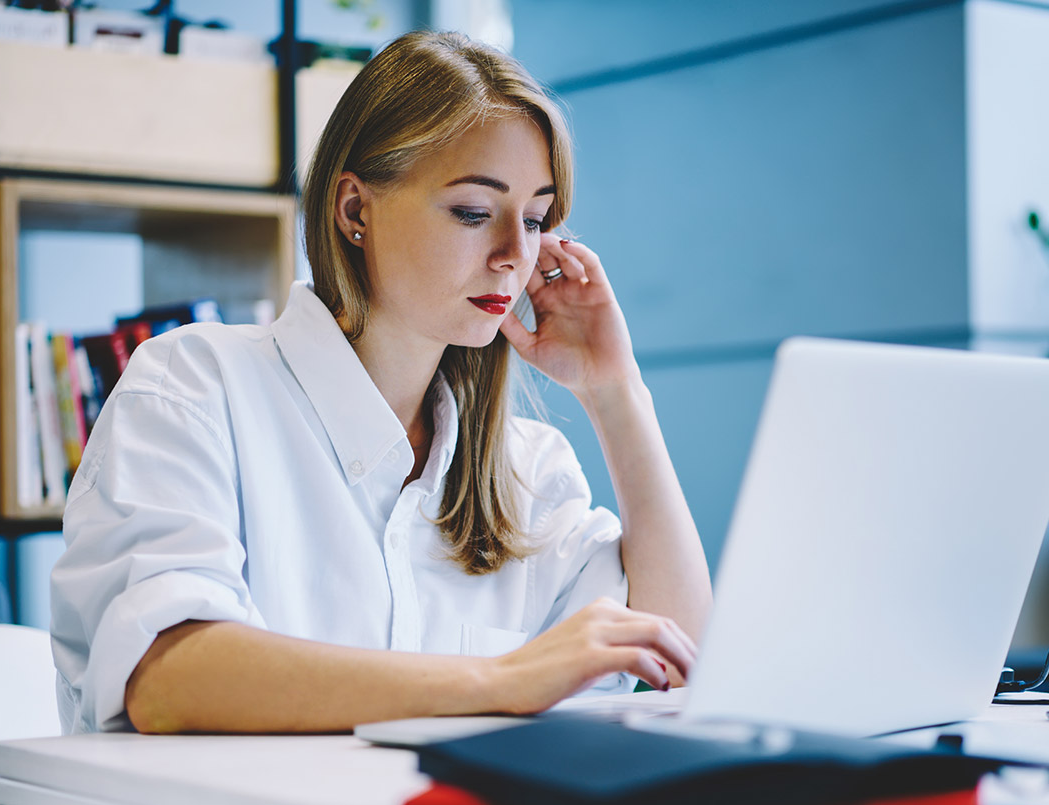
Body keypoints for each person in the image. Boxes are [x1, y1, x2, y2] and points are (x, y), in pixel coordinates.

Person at [47, 28, 712, 749]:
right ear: (355, 211)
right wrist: (501, 682)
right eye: (472, 212)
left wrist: (616, 392)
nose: (515, 258)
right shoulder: (193, 387)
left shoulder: (530, 472)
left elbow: (682, 657)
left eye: (534, 218)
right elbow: (170, 679)